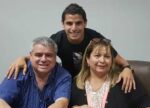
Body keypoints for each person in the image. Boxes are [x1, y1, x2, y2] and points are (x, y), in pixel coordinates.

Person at [6, 3, 135, 93]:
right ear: (63, 24)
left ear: (85, 23)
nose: (74, 28)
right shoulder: (57, 38)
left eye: (78, 23)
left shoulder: (96, 38)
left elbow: (121, 61)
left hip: (92, 82)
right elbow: (40, 55)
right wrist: (22, 58)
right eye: (69, 23)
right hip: (68, 83)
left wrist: (127, 69)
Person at [69, 38, 150, 108]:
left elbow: (142, 102)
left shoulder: (124, 79)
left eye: (107, 57)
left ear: (112, 60)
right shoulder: (75, 83)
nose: (102, 60)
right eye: (97, 56)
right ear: (87, 59)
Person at [0, 37, 74, 108]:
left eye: (49, 55)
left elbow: (62, 103)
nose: (43, 59)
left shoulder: (64, 75)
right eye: (38, 55)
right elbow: (1, 101)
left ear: (55, 57)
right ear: (30, 56)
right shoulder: (17, 70)